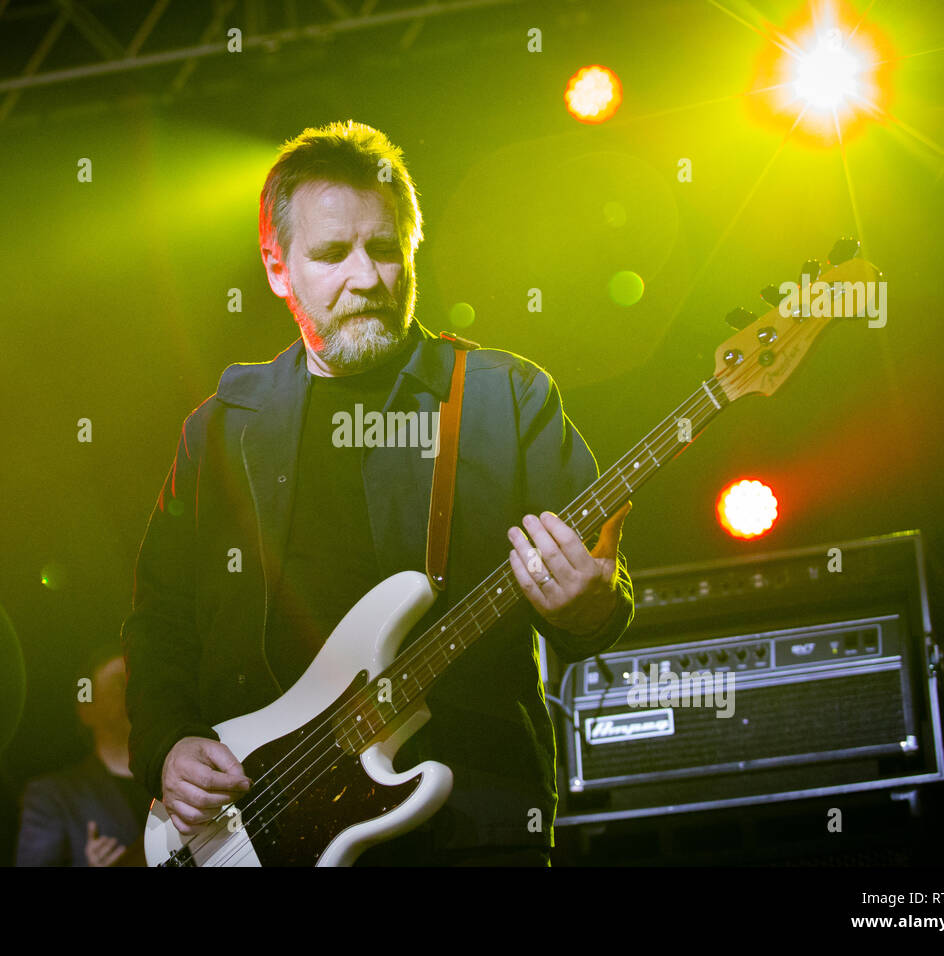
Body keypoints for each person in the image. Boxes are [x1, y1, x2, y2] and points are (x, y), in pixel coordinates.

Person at [121, 120, 634, 866]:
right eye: (332, 254)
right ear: (277, 267)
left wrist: (592, 605)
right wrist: (168, 747)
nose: (367, 277)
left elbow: (594, 593)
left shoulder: (504, 398)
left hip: (471, 825)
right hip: (258, 830)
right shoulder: (223, 429)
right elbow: (159, 620)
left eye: (386, 249)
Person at [15, 647, 148, 866]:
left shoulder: (172, 769)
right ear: (88, 711)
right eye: (118, 684)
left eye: (135, 680)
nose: (132, 691)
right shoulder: (52, 796)